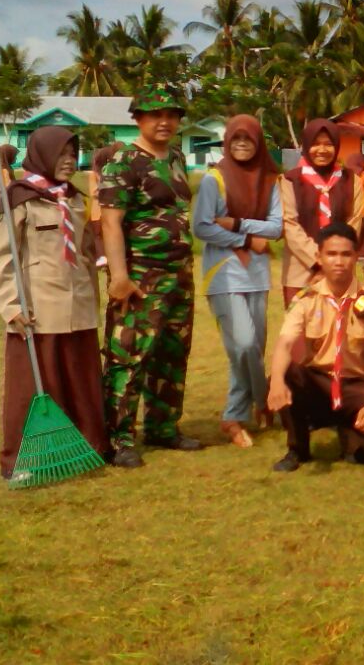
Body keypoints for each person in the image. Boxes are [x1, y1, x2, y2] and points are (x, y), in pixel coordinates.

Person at [0, 127, 109, 477]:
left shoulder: (75, 198)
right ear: (43, 155)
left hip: (79, 304)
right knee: (33, 386)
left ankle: (88, 447)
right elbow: (3, 257)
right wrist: (11, 306)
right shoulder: (19, 198)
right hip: (38, 309)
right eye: (61, 154)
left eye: (73, 154)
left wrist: (95, 294)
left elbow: (85, 251)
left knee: (81, 380)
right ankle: (25, 460)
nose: (69, 161)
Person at [99, 85, 199, 468]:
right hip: (141, 275)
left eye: (172, 115)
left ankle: (163, 427)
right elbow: (110, 222)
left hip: (179, 274)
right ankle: (119, 437)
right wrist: (119, 276)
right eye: (156, 114)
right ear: (138, 118)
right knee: (129, 356)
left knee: (172, 354)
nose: (164, 121)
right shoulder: (123, 160)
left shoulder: (176, 157)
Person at [266, 223, 364, 472]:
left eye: (346, 254)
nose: (339, 261)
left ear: (356, 258)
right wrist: (276, 382)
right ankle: (297, 449)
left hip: (354, 385)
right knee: (286, 375)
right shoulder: (306, 299)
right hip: (319, 382)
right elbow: (284, 343)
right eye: (332, 254)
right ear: (319, 257)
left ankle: (352, 436)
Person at [192, 115, 283, 448]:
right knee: (243, 344)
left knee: (250, 349)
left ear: (259, 144)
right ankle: (261, 400)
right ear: (227, 143)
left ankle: (237, 414)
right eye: (236, 139)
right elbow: (202, 226)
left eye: (249, 139)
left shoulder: (270, 180)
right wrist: (245, 239)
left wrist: (237, 223)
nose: (242, 145)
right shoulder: (213, 180)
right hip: (224, 273)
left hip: (257, 275)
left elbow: (276, 227)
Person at [280, 119, 364, 307]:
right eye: (315, 144)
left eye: (328, 144)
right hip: (300, 271)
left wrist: (334, 259)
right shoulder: (289, 180)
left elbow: (355, 222)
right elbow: (290, 225)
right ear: (306, 146)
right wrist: (318, 261)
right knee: (300, 324)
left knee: (341, 323)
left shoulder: (352, 181)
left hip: (340, 269)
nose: (322, 150)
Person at [88, 144, 119, 268]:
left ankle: (105, 255)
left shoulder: (110, 173)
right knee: (99, 235)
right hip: (98, 210)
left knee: (104, 234)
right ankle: (102, 256)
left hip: (104, 210)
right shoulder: (95, 175)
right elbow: (94, 192)